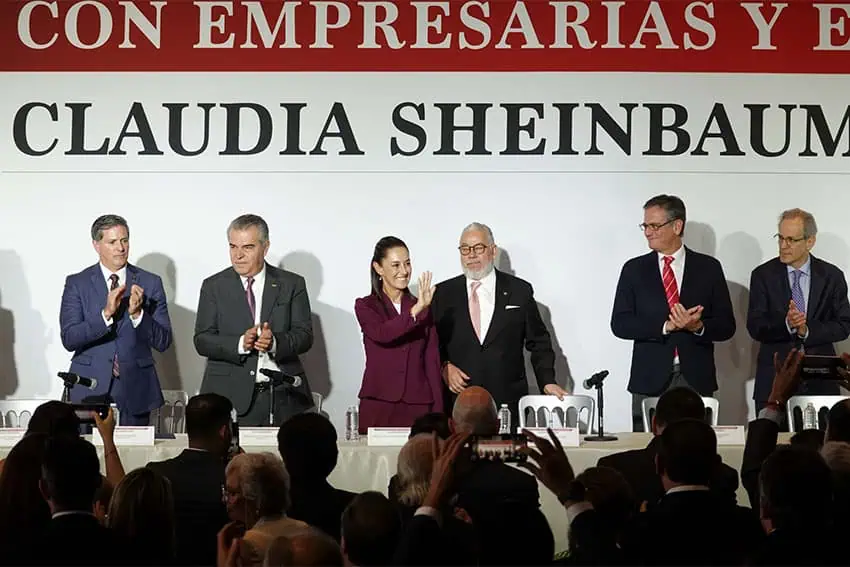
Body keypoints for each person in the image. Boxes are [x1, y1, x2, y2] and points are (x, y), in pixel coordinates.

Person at [611, 195, 735, 432]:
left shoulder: (708, 268)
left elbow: (727, 326)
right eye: (645, 225)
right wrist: (666, 326)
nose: (648, 232)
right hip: (649, 379)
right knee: (647, 454)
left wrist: (697, 327)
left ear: (677, 226)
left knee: (695, 450)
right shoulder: (634, 269)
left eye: (654, 225)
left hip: (695, 378)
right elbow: (620, 323)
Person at [431, 222, 565, 422]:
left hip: (507, 404)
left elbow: (539, 343)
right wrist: (444, 367)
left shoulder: (520, 291)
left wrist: (547, 381)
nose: (471, 255)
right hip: (458, 404)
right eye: (465, 249)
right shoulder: (443, 293)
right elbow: (431, 344)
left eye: (478, 248)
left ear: (493, 251)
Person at [195, 214, 314, 426]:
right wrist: (240, 343)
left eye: (247, 247)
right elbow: (202, 340)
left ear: (265, 247)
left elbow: (304, 336)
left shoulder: (291, 284)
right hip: (230, 399)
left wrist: (274, 342)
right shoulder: (213, 286)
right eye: (233, 247)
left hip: (284, 397)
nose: (238, 255)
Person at [59, 214, 172, 426]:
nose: (121, 248)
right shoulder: (77, 283)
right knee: (86, 457)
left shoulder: (151, 282)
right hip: (88, 388)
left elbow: (164, 341)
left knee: (136, 458)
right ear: (96, 245)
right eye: (112, 242)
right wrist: (105, 315)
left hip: (137, 387)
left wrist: (138, 315)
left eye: (125, 240)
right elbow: (69, 338)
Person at [747, 208, 850, 413]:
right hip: (774, 383)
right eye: (780, 238)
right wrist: (787, 324)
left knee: (819, 444)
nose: (783, 246)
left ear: (810, 242)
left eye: (791, 240)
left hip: (821, 382)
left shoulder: (831, 276)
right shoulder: (763, 275)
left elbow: (844, 325)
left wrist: (806, 330)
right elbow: (755, 326)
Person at [354, 236, 443, 431]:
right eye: (395, 265)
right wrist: (416, 311)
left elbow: (432, 361)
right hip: (379, 404)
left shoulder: (422, 307)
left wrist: (438, 412)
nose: (404, 271)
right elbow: (382, 333)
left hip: (418, 405)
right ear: (378, 268)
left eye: (407, 263)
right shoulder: (366, 305)